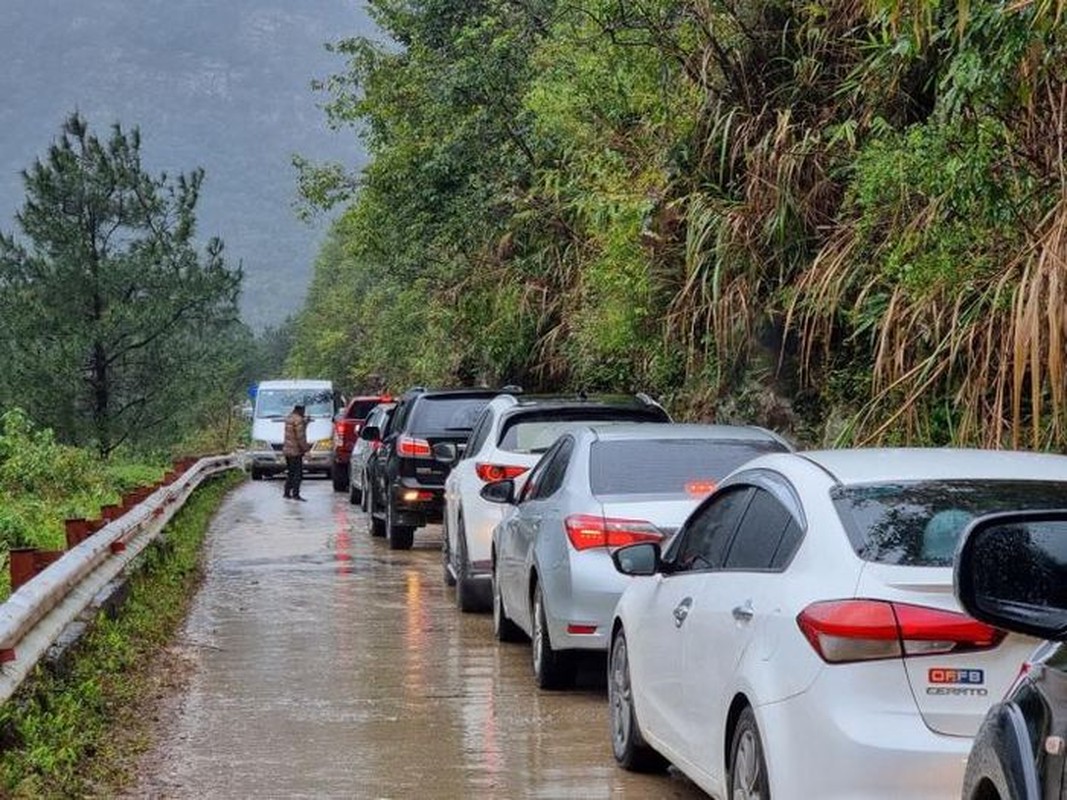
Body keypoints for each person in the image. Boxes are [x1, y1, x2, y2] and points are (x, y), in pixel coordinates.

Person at [282, 404, 311, 500]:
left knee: (291, 472)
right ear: (300, 410)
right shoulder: (299, 420)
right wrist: (306, 450)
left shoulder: (289, 418)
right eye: (303, 410)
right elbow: (300, 437)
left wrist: (305, 423)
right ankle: (296, 494)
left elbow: (295, 430)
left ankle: (286, 492)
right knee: (298, 474)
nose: (304, 412)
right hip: (295, 451)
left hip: (287, 450)